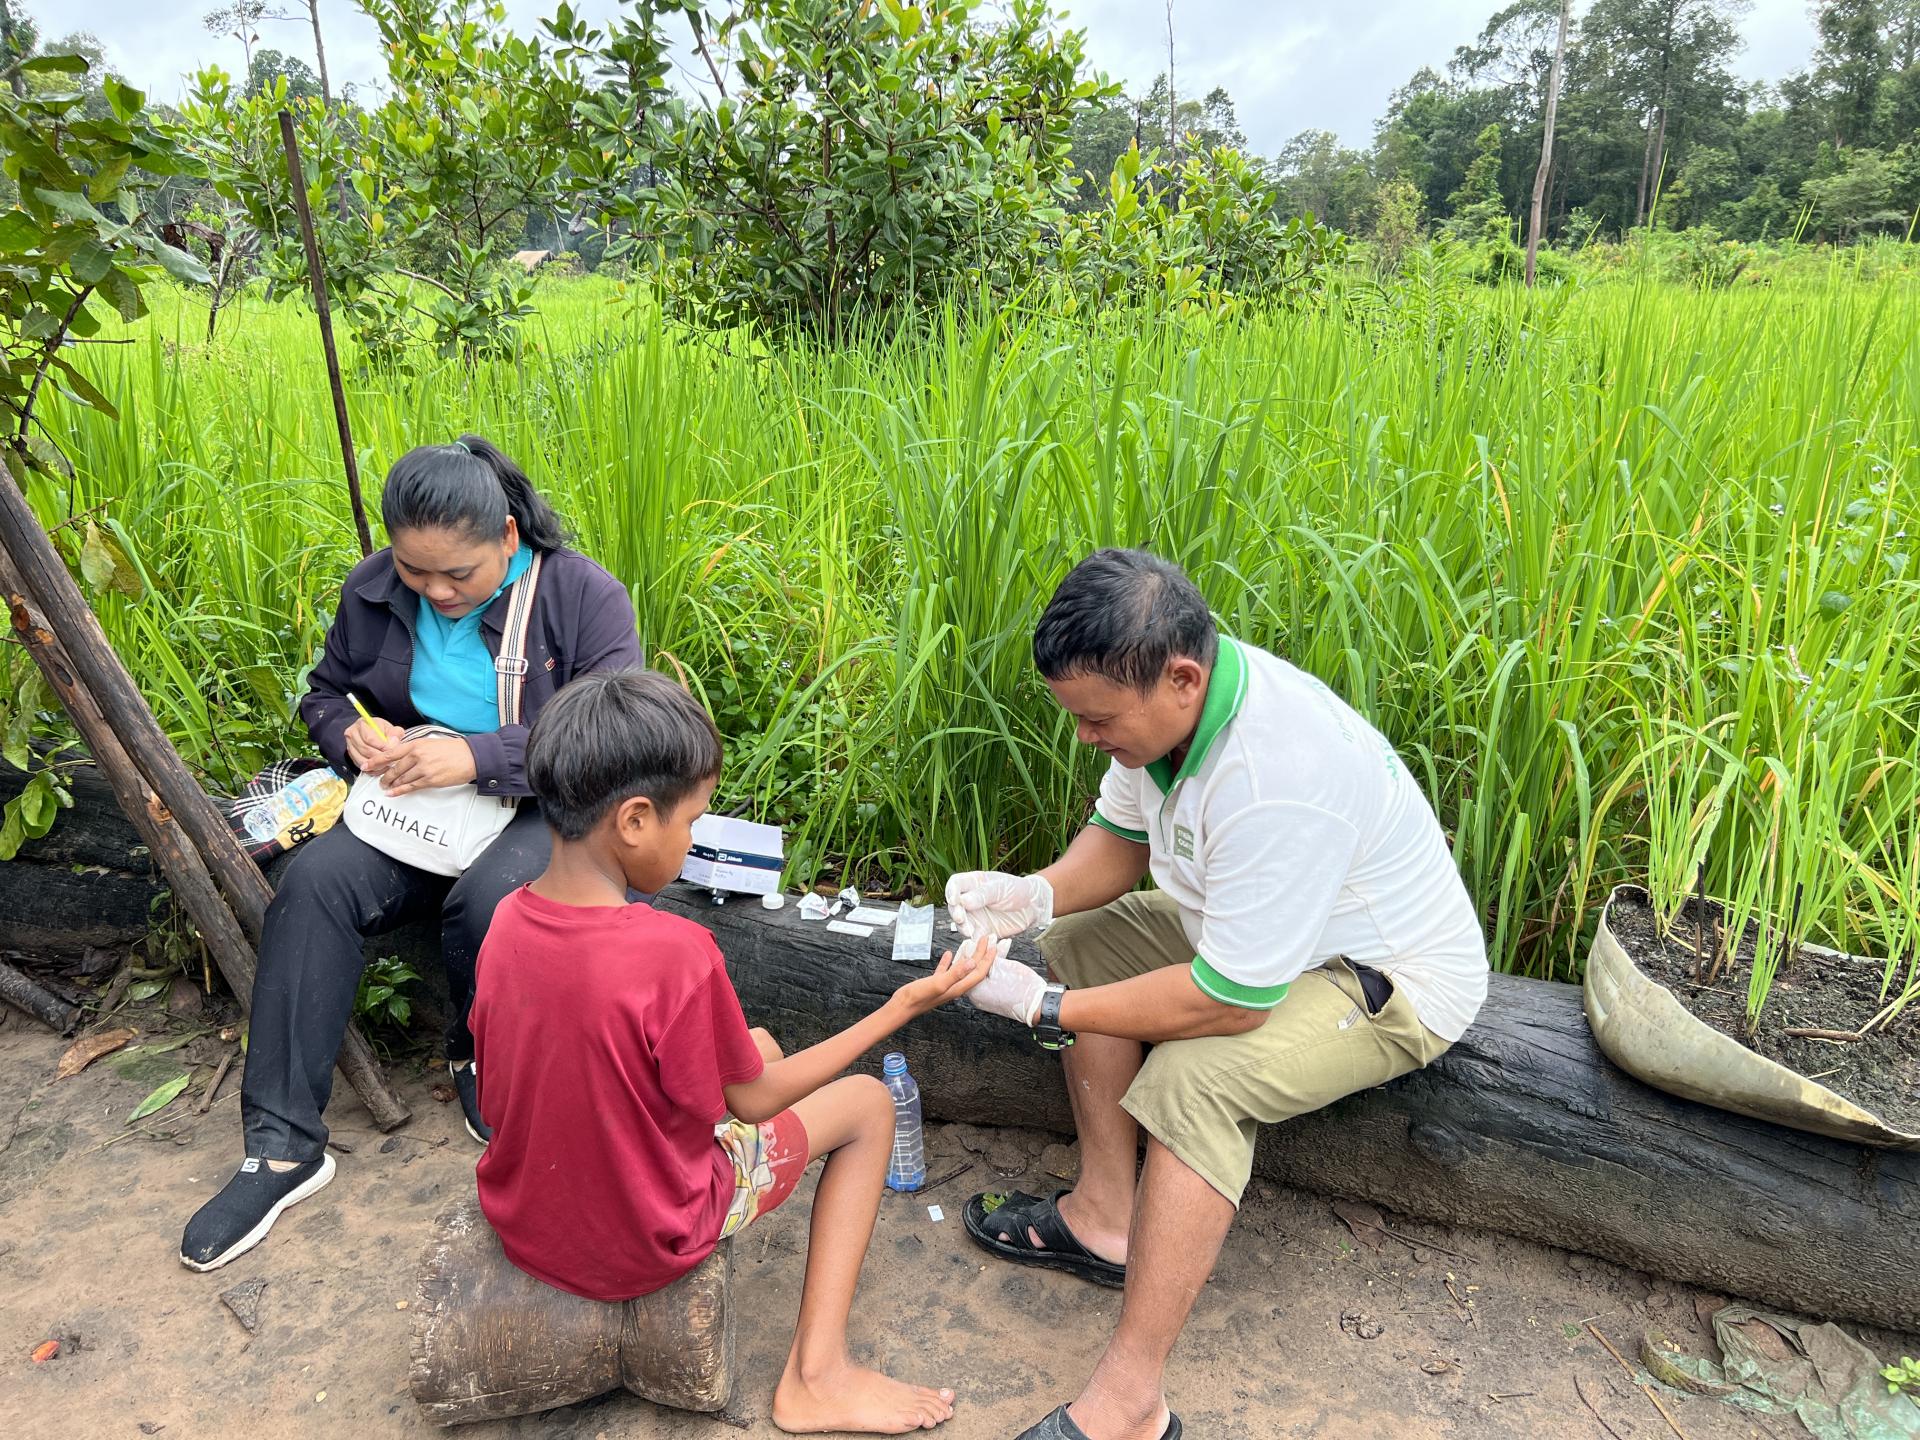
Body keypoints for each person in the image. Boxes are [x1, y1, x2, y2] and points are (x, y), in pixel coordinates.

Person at [947, 549, 1490, 1440]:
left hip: (1380, 975)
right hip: (1252, 929)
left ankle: (1131, 1403)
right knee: (1082, 943)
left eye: (1098, 720)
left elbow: (1231, 1003)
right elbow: (1119, 845)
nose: (1086, 737)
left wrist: (1044, 1008)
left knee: (1192, 1083)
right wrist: (1035, 895)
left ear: (1182, 677)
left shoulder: (1279, 777)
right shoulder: (1165, 711)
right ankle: (1105, 1221)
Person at [470, 669, 1002, 1435]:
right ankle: (817, 1374)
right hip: (648, 1239)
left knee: (756, 1045)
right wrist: (902, 1006)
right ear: (635, 820)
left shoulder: (507, 923)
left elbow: (510, 1093)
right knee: (866, 1104)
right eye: (692, 822)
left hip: (527, 1221)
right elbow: (749, 1102)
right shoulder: (674, 950)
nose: (692, 842)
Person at [180, 436, 641, 1273]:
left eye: (455, 575)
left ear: (507, 537)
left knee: (491, 902)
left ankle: (476, 1053)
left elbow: (618, 739)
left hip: (545, 803)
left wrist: (479, 756)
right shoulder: (377, 587)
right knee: (313, 885)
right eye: (415, 571)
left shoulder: (580, 596)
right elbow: (322, 692)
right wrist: (347, 734)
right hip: (419, 805)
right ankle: (282, 1147)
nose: (433, 591)